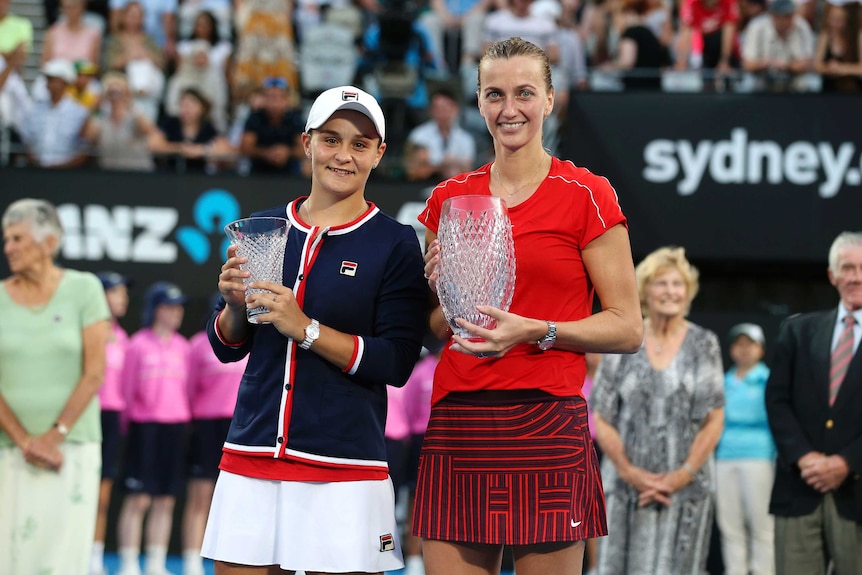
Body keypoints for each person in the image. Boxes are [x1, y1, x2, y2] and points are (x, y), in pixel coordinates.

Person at [413, 37, 643, 575]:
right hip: (460, 418)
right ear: (478, 102)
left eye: (524, 93)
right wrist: (448, 298)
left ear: (549, 99)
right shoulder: (448, 199)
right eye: (494, 94)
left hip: (546, 420)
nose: (509, 108)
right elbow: (436, 324)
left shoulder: (587, 194)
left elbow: (628, 327)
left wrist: (535, 330)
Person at [202, 85, 427, 574]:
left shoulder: (394, 242)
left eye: (359, 144)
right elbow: (224, 344)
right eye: (331, 139)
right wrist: (236, 307)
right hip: (252, 451)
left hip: (344, 466)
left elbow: (397, 361)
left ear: (378, 155)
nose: (343, 155)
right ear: (307, 143)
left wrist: (305, 329)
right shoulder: (260, 226)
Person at [590, 246, 725, 575]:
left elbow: (714, 419)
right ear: (645, 290)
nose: (670, 292)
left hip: (686, 490)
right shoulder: (622, 338)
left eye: (677, 284)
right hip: (624, 489)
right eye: (661, 283)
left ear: (688, 292)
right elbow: (601, 416)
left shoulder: (704, 343)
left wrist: (680, 476)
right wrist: (629, 472)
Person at [0, 198, 111, 575]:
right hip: (8, 450)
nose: (8, 248)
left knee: (63, 559)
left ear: (48, 243)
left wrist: (53, 436)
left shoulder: (84, 288)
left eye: (17, 238)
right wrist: (24, 440)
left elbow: (94, 372)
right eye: (6, 239)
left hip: (72, 448)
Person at [765, 231, 862, 575]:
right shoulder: (798, 331)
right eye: (847, 267)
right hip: (799, 487)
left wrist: (847, 462)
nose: (856, 276)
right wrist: (805, 457)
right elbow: (776, 400)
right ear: (832, 275)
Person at [115, 281, 190, 575]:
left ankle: (156, 563)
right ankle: (129, 563)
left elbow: (190, 391)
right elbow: (127, 389)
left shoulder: (183, 347)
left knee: (165, 499)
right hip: (144, 427)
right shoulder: (137, 345)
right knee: (139, 498)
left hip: (175, 427)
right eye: (169, 307)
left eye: (178, 308)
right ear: (156, 310)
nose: (175, 314)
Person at [180, 294, 248, 575]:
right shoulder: (198, 344)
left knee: (241, 499)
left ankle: (238, 558)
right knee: (200, 495)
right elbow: (188, 387)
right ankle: (191, 561)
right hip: (206, 424)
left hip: (241, 425)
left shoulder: (251, 341)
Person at [715, 322, 775, 575]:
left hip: (759, 457)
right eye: (739, 344)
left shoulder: (769, 379)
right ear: (732, 350)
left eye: (750, 344)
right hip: (724, 457)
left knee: (761, 526)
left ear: (760, 349)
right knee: (730, 526)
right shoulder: (723, 381)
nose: (744, 349)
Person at [89, 271, 133, 575]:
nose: (123, 298)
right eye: (116, 292)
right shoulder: (86, 330)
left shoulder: (122, 336)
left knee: (102, 497)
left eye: (123, 292)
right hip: (85, 417)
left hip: (112, 418)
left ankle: (93, 557)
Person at [14, 59, 96, 168]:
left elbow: (84, 147)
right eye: (48, 79)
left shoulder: (80, 112)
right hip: (35, 170)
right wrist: (34, 161)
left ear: (65, 82)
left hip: (68, 173)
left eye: (54, 80)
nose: (49, 83)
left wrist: (64, 166)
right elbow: (26, 140)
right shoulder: (35, 109)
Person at [403, 86, 477, 182]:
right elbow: (412, 169)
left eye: (446, 108)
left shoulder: (466, 139)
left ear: (456, 109)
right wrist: (445, 164)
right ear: (431, 110)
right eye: (438, 108)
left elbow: (468, 169)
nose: (442, 112)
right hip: (422, 185)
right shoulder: (418, 135)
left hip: (455, 187)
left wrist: (433, 165)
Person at [740, 0, 815, 92]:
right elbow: (747, 65)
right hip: (762, 86)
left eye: (790, 15)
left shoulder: (802, 27)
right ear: (773, 16)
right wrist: (765, 63)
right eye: (784, 16)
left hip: (794, 87)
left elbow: (806, 64)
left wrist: (786, 66)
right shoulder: (757, 27)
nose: (789, 20)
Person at [91, 71, 157, 171]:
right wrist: (94, 108)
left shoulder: (136, 114)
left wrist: (130, 104)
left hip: (136, 173)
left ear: (127, 93)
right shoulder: (101, 119)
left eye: (119, 92)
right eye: (111, 92)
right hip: (109, 175)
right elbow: (87, 135)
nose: (115, 96)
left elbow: (148, 130)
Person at [239, 76, 304, 174]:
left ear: (286, 100)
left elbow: (304, 148)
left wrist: (287, 153)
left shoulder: (295, 119)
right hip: (258, 174)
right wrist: (266, 154)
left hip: (290, 174)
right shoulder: (255, 118)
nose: (274, 103)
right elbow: (245, 148)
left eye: (279, 97)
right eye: (270, 97)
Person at [813, 1, 862, 93]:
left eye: (839, 20)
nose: (834, 24)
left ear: (846, 20)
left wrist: (842, 69)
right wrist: (830, 68)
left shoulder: (857, 37)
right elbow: (816, 65)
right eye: (832, 19)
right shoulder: (825, 36)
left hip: (853, 91)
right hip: (828, 90)